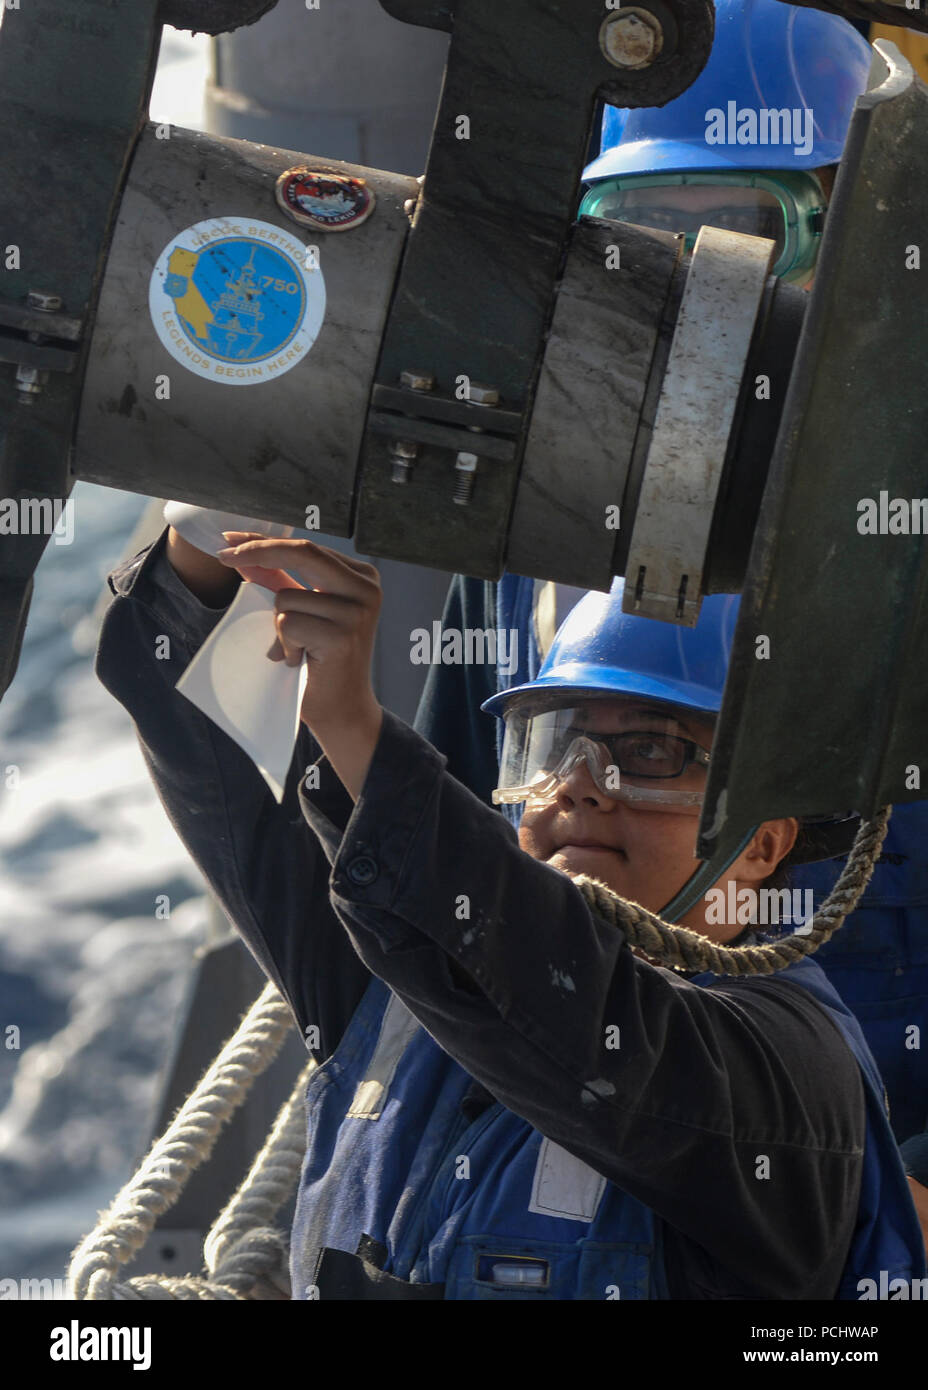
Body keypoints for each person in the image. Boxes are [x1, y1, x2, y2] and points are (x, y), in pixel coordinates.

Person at [95, 528, 924, 1298]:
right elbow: (221, 769)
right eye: (551, 741)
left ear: (764, 845)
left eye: (651, 750)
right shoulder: (400, 989)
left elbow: (584, 1017)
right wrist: (200, 555)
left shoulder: (789, 1074)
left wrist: (356, 728)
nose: (579, 782)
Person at [417, 0, 928, 1233]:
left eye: (749, 232)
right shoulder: (532, 538)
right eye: (649, 241)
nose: (709, 293)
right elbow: (448, 849)